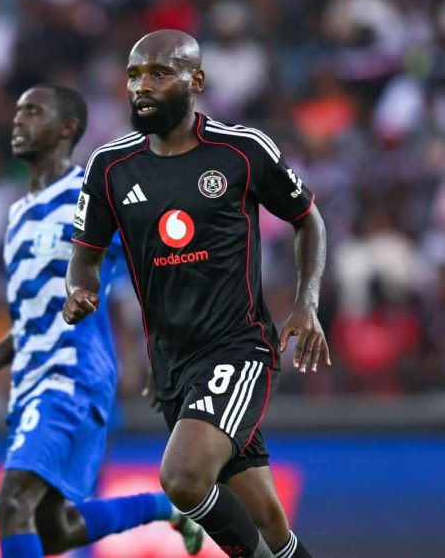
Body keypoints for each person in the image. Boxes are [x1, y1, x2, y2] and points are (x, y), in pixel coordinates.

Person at [64, 30, 328, 558]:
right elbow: (85, 257)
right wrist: (79, 291)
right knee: (269, 522)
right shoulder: (109, 167)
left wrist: (306, 302)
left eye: (159, 74)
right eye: (134, 75)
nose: (142, 86)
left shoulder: (242, 150)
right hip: (171, 365)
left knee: (183, 478)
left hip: (238, 348)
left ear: (196, 81)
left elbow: (308, 220)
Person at [0, 85, 203, 558]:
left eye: (34, 112)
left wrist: (162, 354)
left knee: (12, 502)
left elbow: (154, 271)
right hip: (31, 382)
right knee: (56, 528)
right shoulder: (17, 215)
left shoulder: (93, 196)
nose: (19, 121)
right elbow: (31, 319)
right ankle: (167, 508)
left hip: (73, 376)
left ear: (67, 128)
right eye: (18, 112)